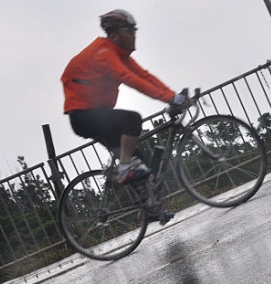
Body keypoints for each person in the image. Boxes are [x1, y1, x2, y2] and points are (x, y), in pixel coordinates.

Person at [61, 9, 191, 184]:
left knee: (137, 159)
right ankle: (123, 172)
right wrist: (170, 99)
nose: (134, 35)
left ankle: (150, 210)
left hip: (95, 114)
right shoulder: (104, 54)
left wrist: (173, 95)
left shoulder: (119, 55)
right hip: (84, 117)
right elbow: (129, 79)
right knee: (132, 120)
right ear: (115, 36)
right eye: (129, 31)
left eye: (134, 31)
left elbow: (144, 76)